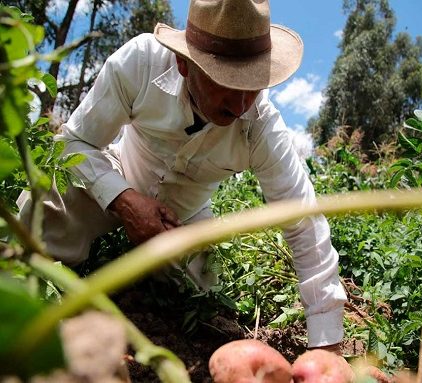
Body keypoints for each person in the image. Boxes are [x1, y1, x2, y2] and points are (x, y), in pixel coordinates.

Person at [18, 0, 349, 365]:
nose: (241, 104)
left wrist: (327, 345)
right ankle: (23, 291)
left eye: (252, 86)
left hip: (186, 223)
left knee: (204, 304)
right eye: (226, 82)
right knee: (41, 205)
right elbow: (74, 143)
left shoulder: (261, 125)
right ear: (183, 64)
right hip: (117, 179)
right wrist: (124, 199)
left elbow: (303, 223)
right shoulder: (141, 62)